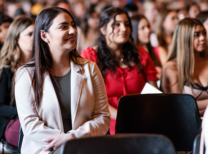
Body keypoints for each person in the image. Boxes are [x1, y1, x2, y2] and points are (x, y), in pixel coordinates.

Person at [14, 7, 110, 154]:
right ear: (44, 36)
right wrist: (61, 142)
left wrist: (71, 138)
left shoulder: (89, 68)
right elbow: (30, 126)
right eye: (64, 27)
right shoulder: (26, 75)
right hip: (45, 148)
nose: (73, 31)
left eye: (73, 25)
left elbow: (102, 117)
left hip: (85, 146)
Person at [81, 7, 158, 135]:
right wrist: (124, 116)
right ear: (103, 29)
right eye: (117, 24)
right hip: (106, 120)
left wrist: (145, 115)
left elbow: (154, 93)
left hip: (140, 117)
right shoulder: (90, 56)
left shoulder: (140, 54)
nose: (124, 29)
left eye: (127, 24)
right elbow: (90, 99)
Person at [0, 16, 34, 154]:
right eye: (29, 34)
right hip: (14, 120)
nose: (34, 38)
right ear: (16, 38)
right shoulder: (6, 68)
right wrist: (23, 112)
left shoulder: (42, 64)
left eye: (36, 33)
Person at [161, 18, 208, 116]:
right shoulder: (171, 68)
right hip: (187, 124)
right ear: (184, 38)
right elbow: (177, 105)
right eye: (197, 35)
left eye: (204, 33)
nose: (203, 38)